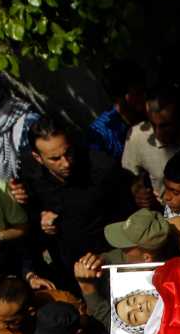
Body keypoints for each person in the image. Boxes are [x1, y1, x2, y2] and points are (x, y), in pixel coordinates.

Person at [11, 113, 130, 276]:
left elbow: (127, 217)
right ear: (38, 158)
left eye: (68, 153)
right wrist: (41, 219)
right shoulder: (31, 174)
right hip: (68, 261)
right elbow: (30, 213)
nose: (66, 163)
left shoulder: (102, 168)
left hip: (108, 258)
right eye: (55, 159)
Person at [87, 59, 146, 159]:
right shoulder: (100, 134)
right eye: (138, 92)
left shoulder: (149, 113)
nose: (144, 96)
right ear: (120, 97)